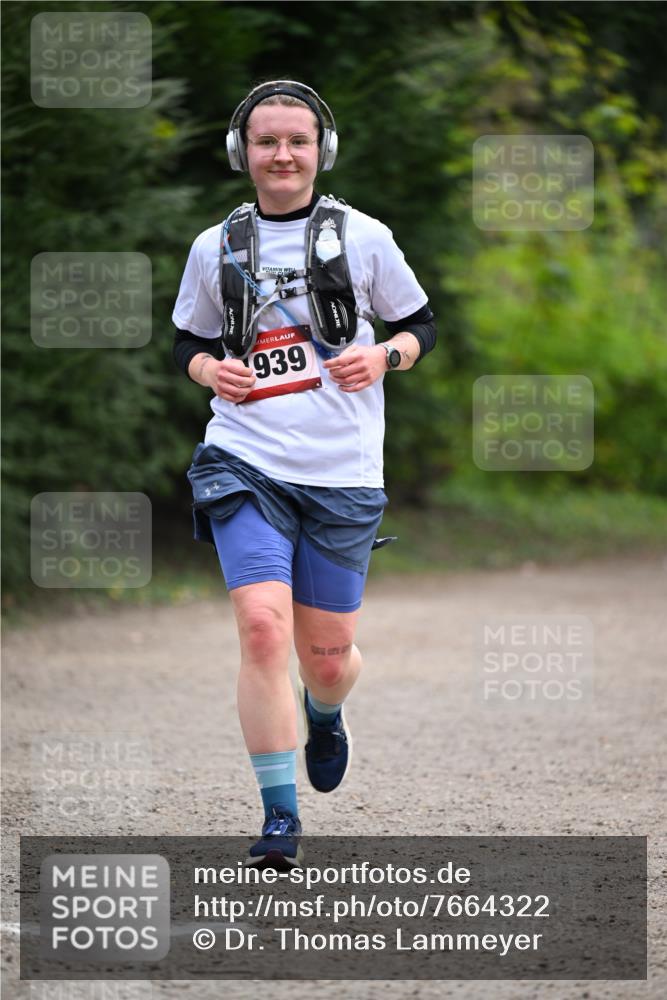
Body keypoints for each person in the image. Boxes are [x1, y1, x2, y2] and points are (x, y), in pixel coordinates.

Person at [172, 80, 436, 866]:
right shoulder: (213, 247)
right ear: (240, 152)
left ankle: (324, 712)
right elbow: (185, 340)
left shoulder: (363, 237)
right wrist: (205, 374)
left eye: (295, 140)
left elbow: (420, 324)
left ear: (320, 149)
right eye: (265, 141)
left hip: (341, 470)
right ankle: (279, 817)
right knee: (261, 629)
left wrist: (383, 354)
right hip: (243, 457)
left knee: (326, 657)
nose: (281, 154)